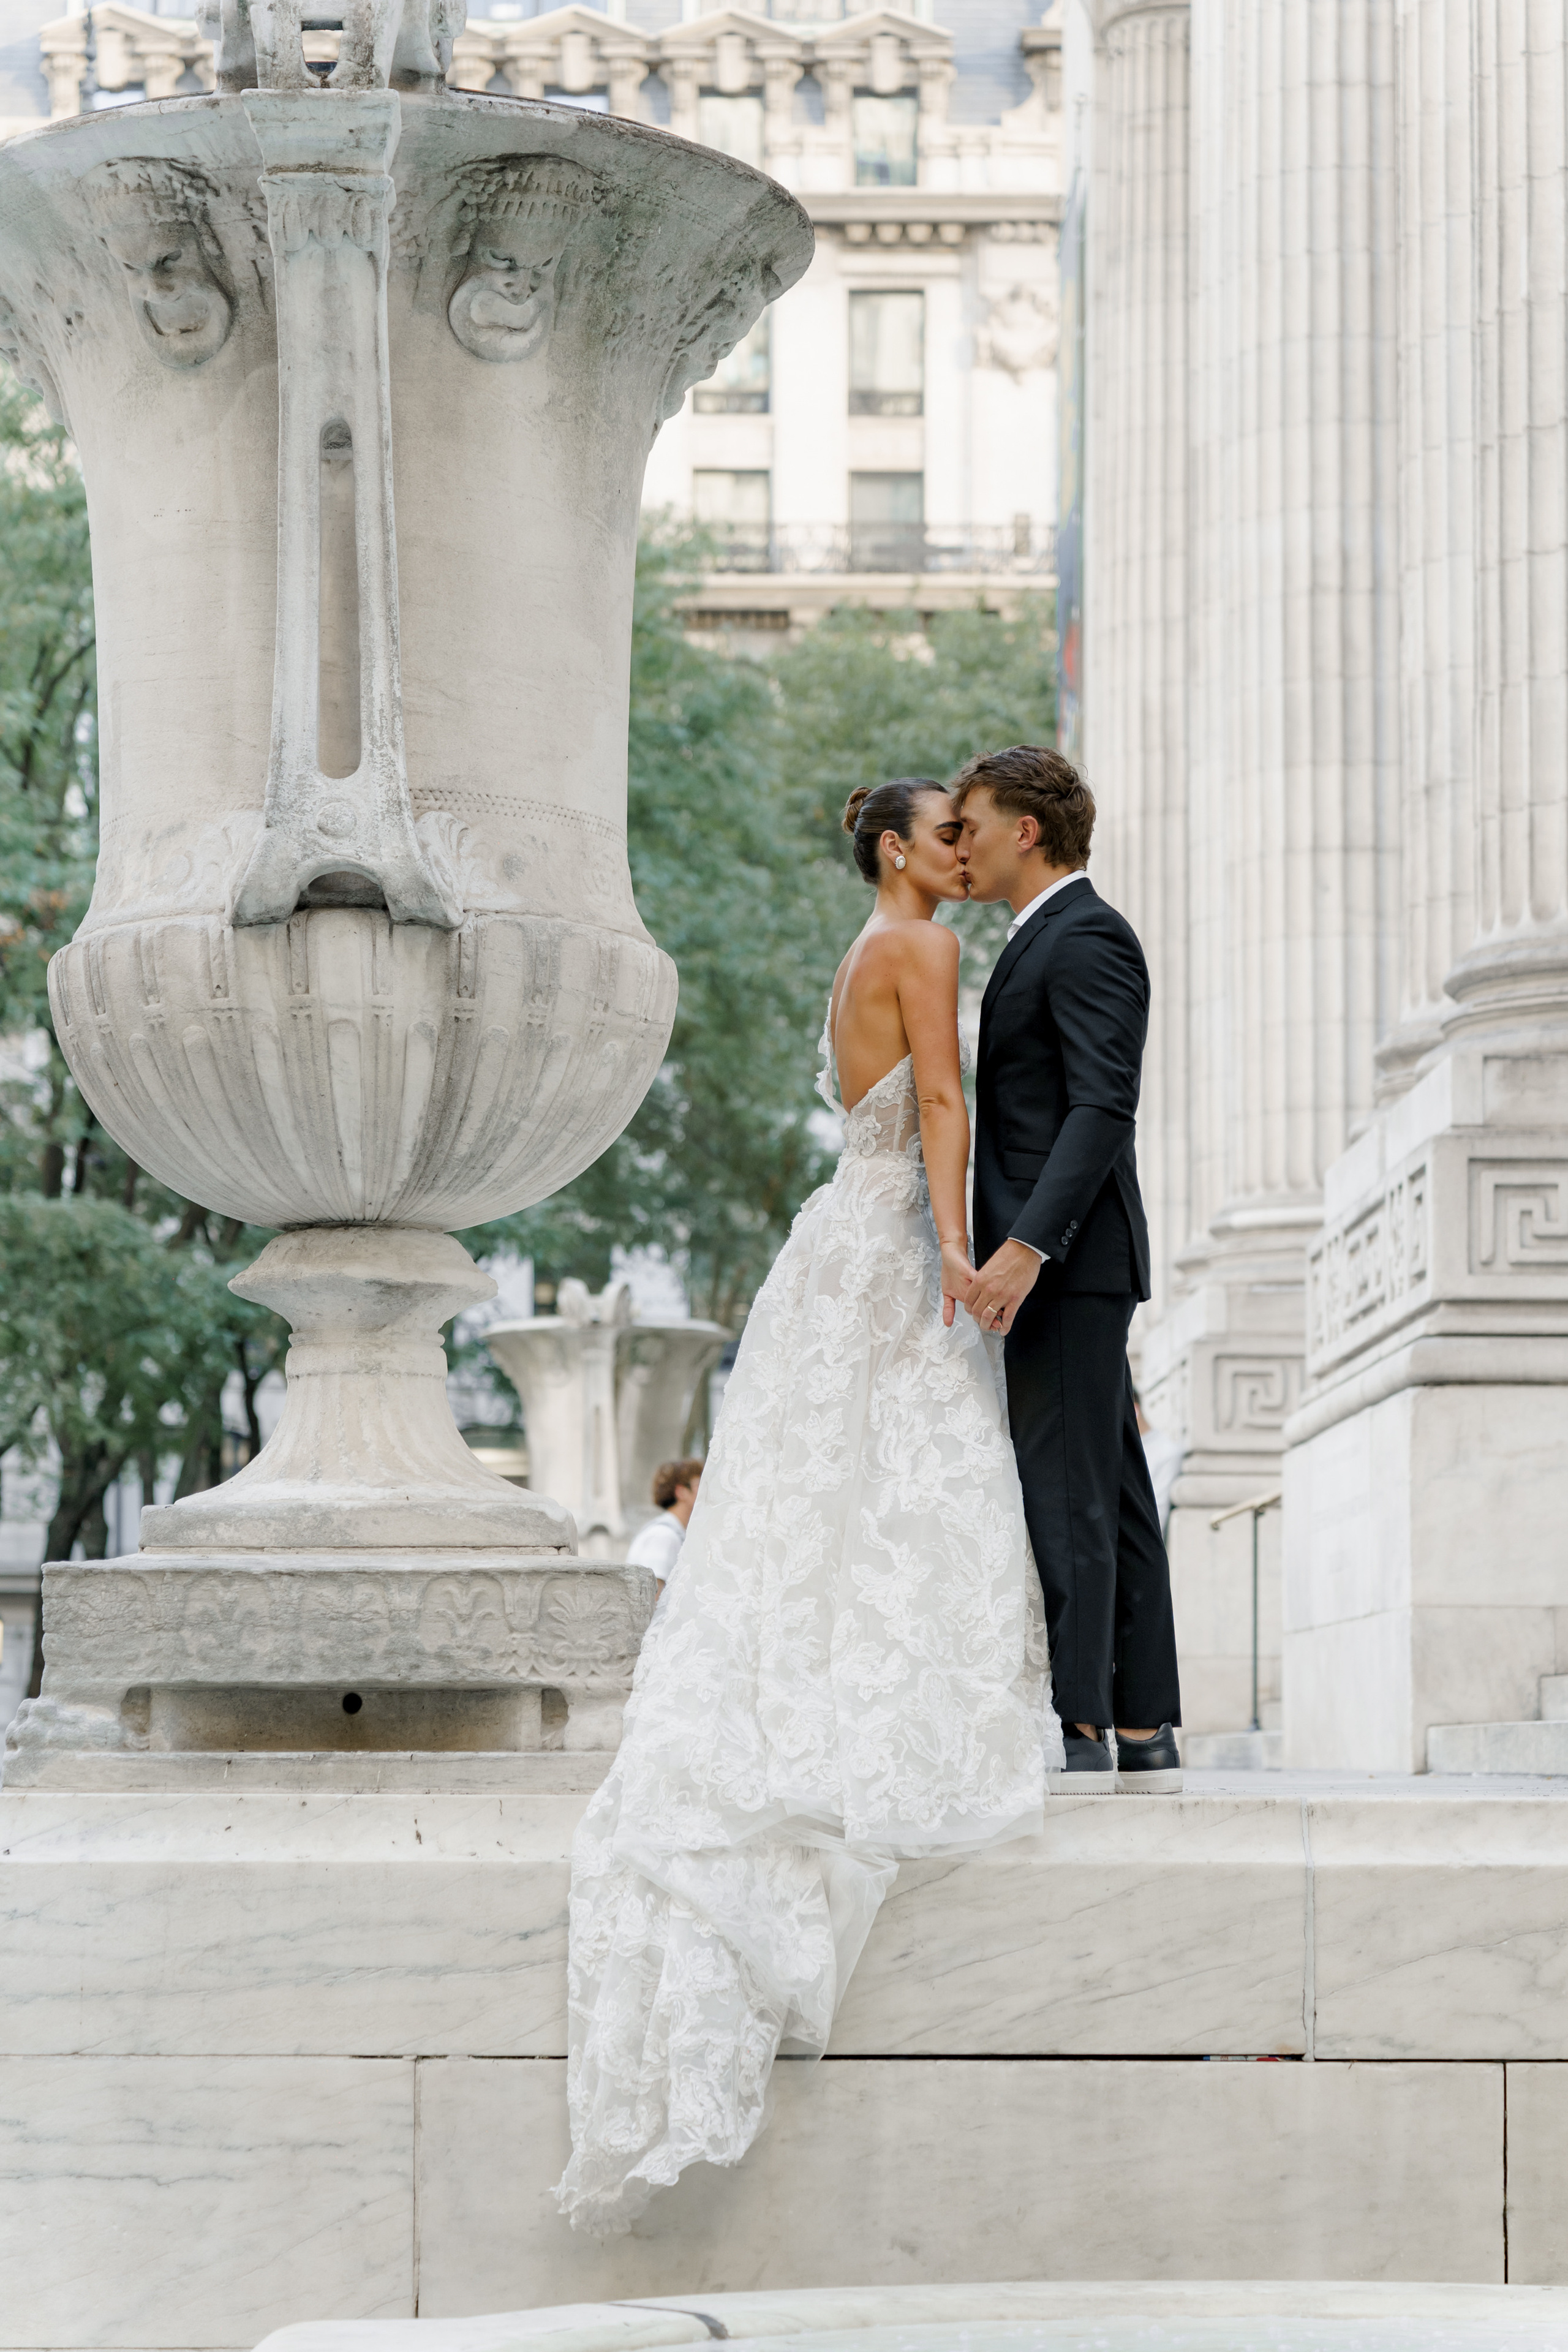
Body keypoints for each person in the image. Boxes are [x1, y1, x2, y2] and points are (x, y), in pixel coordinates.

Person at [554, 777, 1061, 2236]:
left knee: (826, 1493)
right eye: (946, 834)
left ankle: (811, 1690)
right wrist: (963, 1258)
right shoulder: (924, 947)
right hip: (889, 1235)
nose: (965, 851)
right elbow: (943, 1103)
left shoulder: (860, 946)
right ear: (898, 850)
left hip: (828, 1236)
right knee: (903, 1475)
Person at [954, 744, 1182, 1791]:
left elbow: (1102, 1107)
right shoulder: (1040, 936)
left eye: (974, 825)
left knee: (1070, 1490)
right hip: (1074, 1263)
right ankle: (1140, 1725)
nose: (964, 845)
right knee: (1115, 1490)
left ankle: (1078, 1727)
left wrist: (1023, 1249)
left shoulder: (1088, 936)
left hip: (1065, 1263)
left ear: (1027, 830)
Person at [625, 1456, 703, 1590]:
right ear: (682, 1492)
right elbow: (653, 1596)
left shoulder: (674, 1533)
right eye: (698, 1485)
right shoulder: (663, 1536)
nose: (704, 1491)